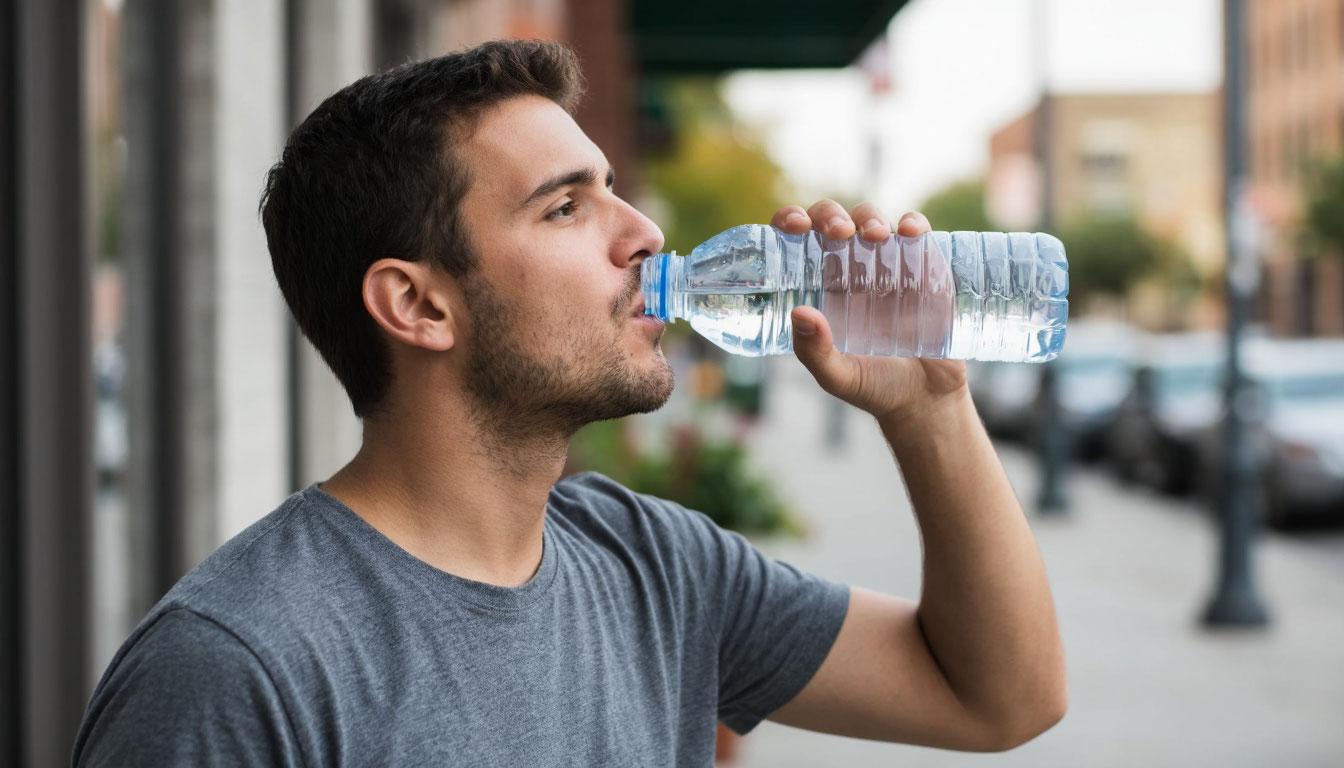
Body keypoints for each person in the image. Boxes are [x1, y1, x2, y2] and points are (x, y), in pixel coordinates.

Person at [73, 40, 1066, 766]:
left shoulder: (655, 566)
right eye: (565, 206)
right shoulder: (236, 667)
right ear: (418, 305)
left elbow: (999, 700)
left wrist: (928, 409)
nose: (643, 232)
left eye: (612, 189)